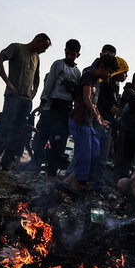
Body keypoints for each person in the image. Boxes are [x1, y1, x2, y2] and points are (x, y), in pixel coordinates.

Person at [0, 33, 51, 170]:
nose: (44, 50)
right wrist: (8, 83)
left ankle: (7, 163)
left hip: (26, 100)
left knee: (18, 133)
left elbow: (37, 76)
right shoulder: (16, 48)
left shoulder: (36, 58)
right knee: (5, 128)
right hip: (13, 97)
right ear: (37, 40)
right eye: (44, 46)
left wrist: (34, 91)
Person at [58, 55, 119, 196]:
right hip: (80, 122)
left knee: (94, 155)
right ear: (102, 66)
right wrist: (98, 117)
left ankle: (67, 182)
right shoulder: (87, 77)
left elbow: (94, 104)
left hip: (89, 123)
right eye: (109, 72)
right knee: (85, 156)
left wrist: (101, 120)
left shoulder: (97, 82)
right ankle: (74, 186)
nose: (109, 75)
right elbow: (86, 98)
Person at [31, 39, 82, 176]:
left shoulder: (77, 72)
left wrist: (71, 88)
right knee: (42, 137)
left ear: (78, 55)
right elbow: (49, 84)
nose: (69, 56)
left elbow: (77, 93)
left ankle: (51, 171)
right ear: (65, 51)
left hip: (65, 108)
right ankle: (34, 167)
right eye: (68, 53)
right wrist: (43, 103)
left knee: (59, 142)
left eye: (73, 54)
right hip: (52, 105)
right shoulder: (58, 65)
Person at [91, 56, 127, 190]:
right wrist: (109, 107)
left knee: (102, 159)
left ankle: (97, 186)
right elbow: (96, 102)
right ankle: (78, 181)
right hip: (99, 123)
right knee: (91, 156)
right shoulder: (101, 82)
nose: (125, 76)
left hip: (107, 125)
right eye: (124, 72)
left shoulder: (114, 86)